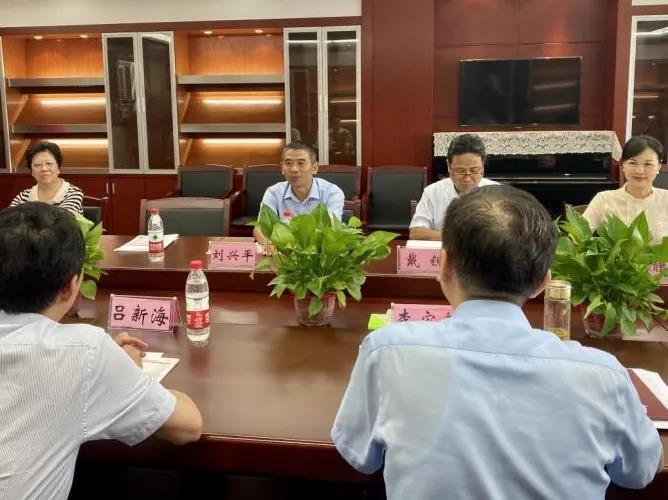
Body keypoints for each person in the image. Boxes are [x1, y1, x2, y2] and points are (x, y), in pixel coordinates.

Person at [332, 185, 662, 499]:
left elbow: (361, 456)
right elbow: (640, 471)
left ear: (444, 266)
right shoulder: (603, 375)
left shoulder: (386, 352)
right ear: (543, 282)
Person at [0, 202, 203, 499]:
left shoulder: (82, 351)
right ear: (70, 286)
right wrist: (126, 372)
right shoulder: (84, 351)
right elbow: (188, 426)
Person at [409, 133, 498, 240]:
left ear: (482, 166)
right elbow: (416, 233)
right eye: (460, 171)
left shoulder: (497, 192)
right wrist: (458, 238)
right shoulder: (433, 192)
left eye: (474, 171)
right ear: (449, 166)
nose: (467, 179)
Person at [253, 141, 344, 244]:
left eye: (301, 163)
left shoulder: (332, 193)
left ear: (314, 168)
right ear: (282, 167)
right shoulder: (273, 192)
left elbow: (332, 229)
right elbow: (260, 228)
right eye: (288, 163)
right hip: (281, 250)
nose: (294, 169)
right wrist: (271, 246)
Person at [584, 135, 667, 243]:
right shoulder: (604, 199)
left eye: (648, 164)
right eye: (633, 163)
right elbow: (578, 235)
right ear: (623, 165)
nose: (639, 170)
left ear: (659, 166)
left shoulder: (665, 199)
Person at [9, 141, 84, 214]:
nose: (44, 169)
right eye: (37, 165)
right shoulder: (23, 197)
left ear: (58, 168)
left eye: (49, 163)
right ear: (31, 171)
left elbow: (62, 220)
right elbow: (8, 219)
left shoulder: (73, 193)